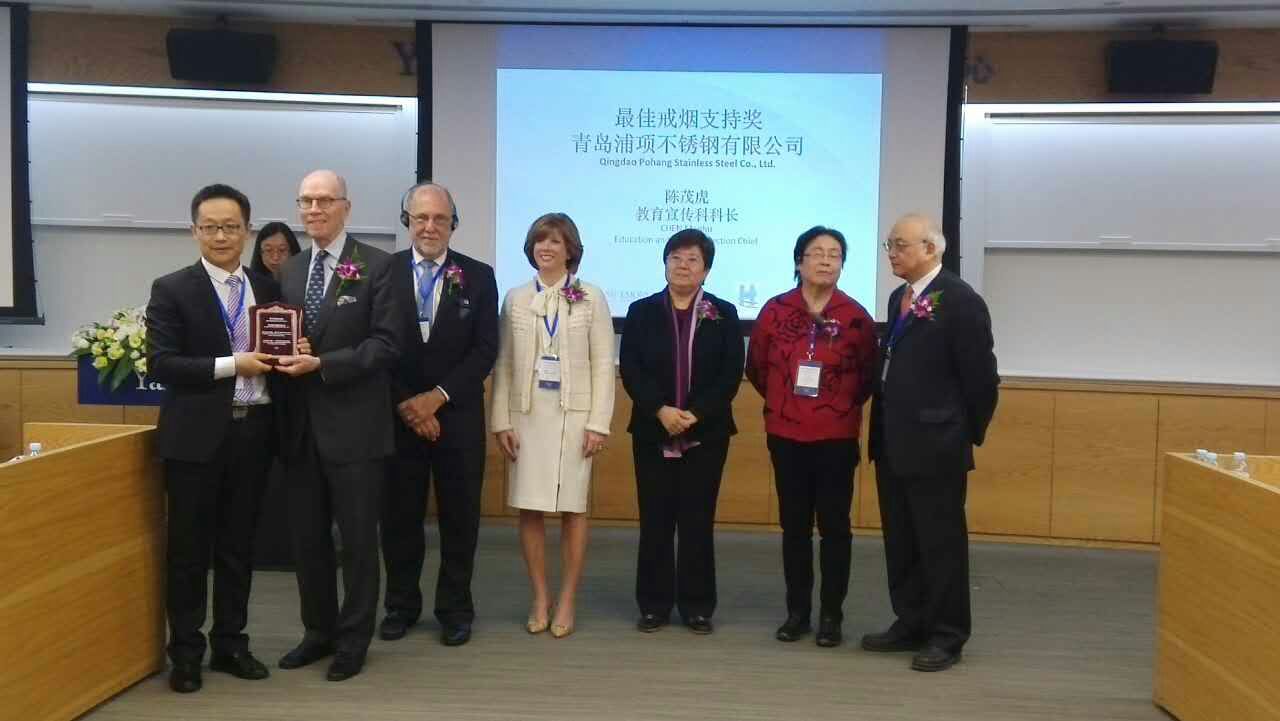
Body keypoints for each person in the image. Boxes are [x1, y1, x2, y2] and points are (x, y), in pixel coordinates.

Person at [146, 183, 279, 693]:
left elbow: (278, 352)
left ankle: (231, 644)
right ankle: (185, 652)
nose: (221, 236)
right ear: (194, 231)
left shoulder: (267, 288)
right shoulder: (171, 288)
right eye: (210, 227)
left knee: (238, 548)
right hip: (195, 440)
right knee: (188, 550)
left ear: (247, 231)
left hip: (254, 433)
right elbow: (162, 364)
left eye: (230, 227)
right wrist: (232, 364)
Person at [273, 169, 401, 682]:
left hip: (356, 428)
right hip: (300, 428)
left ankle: (353, 640)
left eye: (325, 200)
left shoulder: (379, 265)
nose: (314, 209)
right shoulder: (290, 268)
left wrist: (322, 363)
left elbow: (387, 344)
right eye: (306, 201)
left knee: (357, 543)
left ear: (346, 206)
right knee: (307, 541)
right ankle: (318, 632)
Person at [862, 213, 999, 672]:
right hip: (892, 441)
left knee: (941, 544)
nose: (892, 253)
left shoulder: (961, 301)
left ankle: (947, 634)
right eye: (889, 244)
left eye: (901, 245)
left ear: (931, 248)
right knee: (901, 540)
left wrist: (963, 434)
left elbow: (982, 380)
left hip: (938, 446)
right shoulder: (899, 297)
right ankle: (911, 620)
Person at [745, 226, 877, 648]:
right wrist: (785, 401)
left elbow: (868, 377)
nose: (825, 260)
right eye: (816, 252)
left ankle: (831, 616)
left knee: (835, 528)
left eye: (834, 254)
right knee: (794, 527)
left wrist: (836, 406)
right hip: (786, 433)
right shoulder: (775, 311)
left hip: (836, 436)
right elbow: (757, 369)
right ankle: (797, 613)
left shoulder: (856, 317)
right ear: (798, 261)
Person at [380, 182, 498, 647]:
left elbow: (485, 349)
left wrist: (437, 397)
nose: (430, 227)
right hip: (399, 416)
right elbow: (375, 346)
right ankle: (400, 606)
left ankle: (455, 609)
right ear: (407, 221)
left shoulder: (479, 276)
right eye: (421, 218)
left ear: (453, 224)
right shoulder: (382, 273)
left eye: (440, 219)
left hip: (458, 417)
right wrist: (409, 403)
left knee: (460, 519)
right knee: (399, 517)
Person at [490, 213, 615, 639]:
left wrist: (598, 424)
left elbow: (603, 364)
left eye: (555, 242)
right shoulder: (516, 298)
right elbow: (504, 362)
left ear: (570, 250)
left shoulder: (591, 297)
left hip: (575, 419)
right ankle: (540, 597)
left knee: (574, 508)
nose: (546, 248)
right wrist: (501, 420)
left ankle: (566, 599)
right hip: (525, 417)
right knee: (529, 507)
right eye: (540, 241)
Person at [619, 228, 743, 635]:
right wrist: (660, 410)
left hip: (706, 434)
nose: (683, 266)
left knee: (697, 520)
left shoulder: (723, 313)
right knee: (655, 519)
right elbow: (632, 368)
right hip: (652, 429)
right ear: (664, 263)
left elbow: (730, 374)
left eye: (692, 259)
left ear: (706, 269)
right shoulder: (641, 311)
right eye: (675, 257)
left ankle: (697, 606)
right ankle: (653, 604)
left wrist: (694, 414)